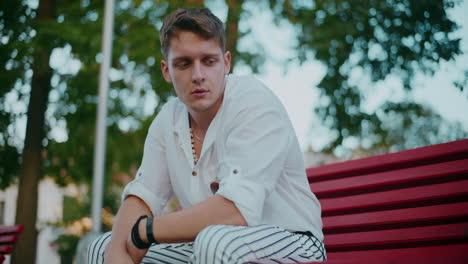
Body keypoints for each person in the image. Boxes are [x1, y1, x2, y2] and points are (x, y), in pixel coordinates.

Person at [88, 7, 325, 264]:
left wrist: (145, 231)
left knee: (215, 242)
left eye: (209, 61)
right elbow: (143, 196)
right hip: (210, 244)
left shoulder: (253, 102)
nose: (198, 75)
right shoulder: (168, 118)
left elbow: (236, 212)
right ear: (167, 71)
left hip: (294, 242)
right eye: (184, 63)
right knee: (102, 246)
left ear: (226, 62)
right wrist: (116, 252)